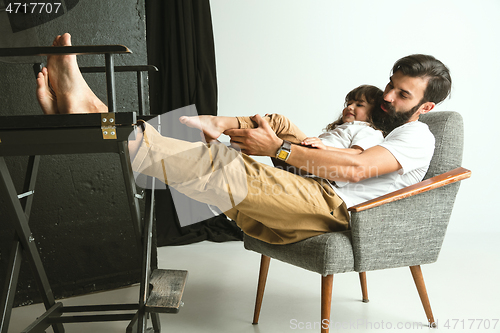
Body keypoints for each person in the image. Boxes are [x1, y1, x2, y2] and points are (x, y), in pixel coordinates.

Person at [37, 33, 452, 245]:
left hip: (332, 207)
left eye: (403, 94)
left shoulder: (418, 135)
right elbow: (346, 152)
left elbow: (357, 170)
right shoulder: (378, 128)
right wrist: (283, 139)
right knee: (271, 126)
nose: (389, 97)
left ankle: (91, 118)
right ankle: (92, 116)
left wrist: (278, 149)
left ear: (425, 107)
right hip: (314, 185)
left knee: (221, 165)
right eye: (390, 85)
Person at [178, 84, 385, 156]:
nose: (350, 107)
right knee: (264, 134)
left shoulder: (369, 132)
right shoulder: (340, 129)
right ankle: (223, 148)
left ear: (373, 114)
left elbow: (356, 155)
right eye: (349, 102)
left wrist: (325, 148)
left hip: (318, 164)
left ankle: (218, 124)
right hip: (301, 159)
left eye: (359, 105)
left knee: (278, 122)